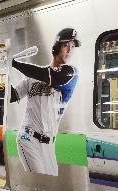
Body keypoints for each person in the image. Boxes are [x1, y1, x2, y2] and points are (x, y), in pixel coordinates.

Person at [10, 28, 81, 176]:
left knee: (50, 184)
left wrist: (14, 63)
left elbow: (47, 75)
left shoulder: (71, 74)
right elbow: (12, 96)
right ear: (56, 47)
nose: (69, 50)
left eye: (73, 46)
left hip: (49, 144)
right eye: (66, 45)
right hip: (28, 137)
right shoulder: (31, 78)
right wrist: (4, 73)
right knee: (40, 182)